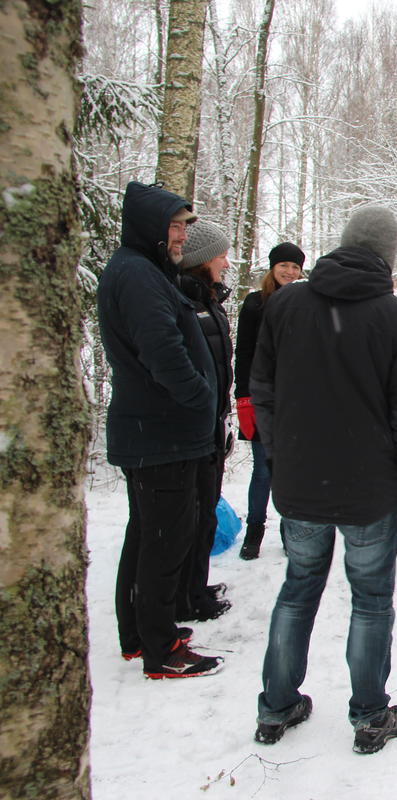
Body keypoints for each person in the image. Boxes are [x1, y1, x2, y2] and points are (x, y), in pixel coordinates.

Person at [250, 206, 397, 754]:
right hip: (367, 488)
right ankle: (370, 714)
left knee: (298, 591)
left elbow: (265, 391)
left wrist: (282, 459)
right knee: (371, 601)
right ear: (389, 257)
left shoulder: (286, 304)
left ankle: (277, 706)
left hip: (301, 482)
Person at [97, 181, 225, 679]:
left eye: (182, 229)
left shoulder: (140, 271)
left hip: (155, 431)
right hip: (163, 434)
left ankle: (138, 634)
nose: (179, 238)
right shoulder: (138, 276)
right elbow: (163, 353)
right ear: (151, 229)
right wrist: (200, 398)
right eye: (174, 227)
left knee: (148, 535)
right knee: (165, 540)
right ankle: (161, 648)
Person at [176, 220, 235, 621]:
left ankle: (196, 587)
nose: (227, 262)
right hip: (193, 429)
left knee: (205, 513)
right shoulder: (185, 302)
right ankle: (186, 596)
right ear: (202, 261)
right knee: (190, 518)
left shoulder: (208, 301)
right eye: (221, 255)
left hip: (212, 424)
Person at [233, 242, 306, 560]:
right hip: (262, 399)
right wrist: (243, 397)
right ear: (272, 267)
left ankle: (290, 532)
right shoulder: (254, 304)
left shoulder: (307, 303)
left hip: (297, 401)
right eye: (284, 266)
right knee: (263, 471)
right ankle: (254, 530)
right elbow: (244, 352)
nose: (289, 272)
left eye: (295, 267)